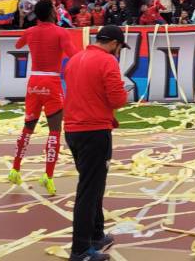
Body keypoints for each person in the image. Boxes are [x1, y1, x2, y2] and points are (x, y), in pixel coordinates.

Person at [63, 25, 129, 261]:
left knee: (93, 185)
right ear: (114, 43)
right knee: (90, 190)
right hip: (94, 130)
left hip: (73, 129)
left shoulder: (75, 59)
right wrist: (125, 94)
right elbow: (117, 99)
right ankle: (80, 249)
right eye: (119, 47)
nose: (118, 51)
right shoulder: (107, 61)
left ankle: (96, 235)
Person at [9, 0, 78, 195]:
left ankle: (15, 169)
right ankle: (48, 176)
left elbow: (18, 44)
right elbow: (73, 55)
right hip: (52, 82)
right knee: (54, 131)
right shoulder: (60, 32)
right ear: (50, 13)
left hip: (34, 83)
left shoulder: (30, 31)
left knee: (28, 127)